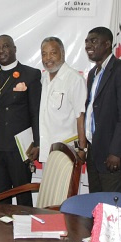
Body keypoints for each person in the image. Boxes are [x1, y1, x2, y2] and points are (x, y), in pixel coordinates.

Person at [0, 35, 41, 206]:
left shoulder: (31, 74)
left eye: (5, 46)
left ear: (14, 48)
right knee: (0, 198)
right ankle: (3, 231)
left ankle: (25, 232)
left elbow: (35, 112)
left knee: (23, 196)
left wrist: (37, 142)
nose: (1, 51)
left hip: (20, 147)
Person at [84, 27, 121, 194]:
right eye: (87, 41)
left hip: (112, 154)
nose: (88, 45)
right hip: (94, 151)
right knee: (96, 204)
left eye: (93, 41)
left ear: (107, 44)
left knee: (113, 208)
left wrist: (116, 152)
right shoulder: (93, 73)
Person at [40, 37, 87, 165]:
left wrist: (82, 149)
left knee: (65, 185)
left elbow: (80, 116)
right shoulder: (42, 79)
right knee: (48, 185)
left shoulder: (74, 79)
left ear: (63, 53)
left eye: (53, 53)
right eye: (44, 54)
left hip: (66, 152)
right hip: (46, 151)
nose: (48, 58)